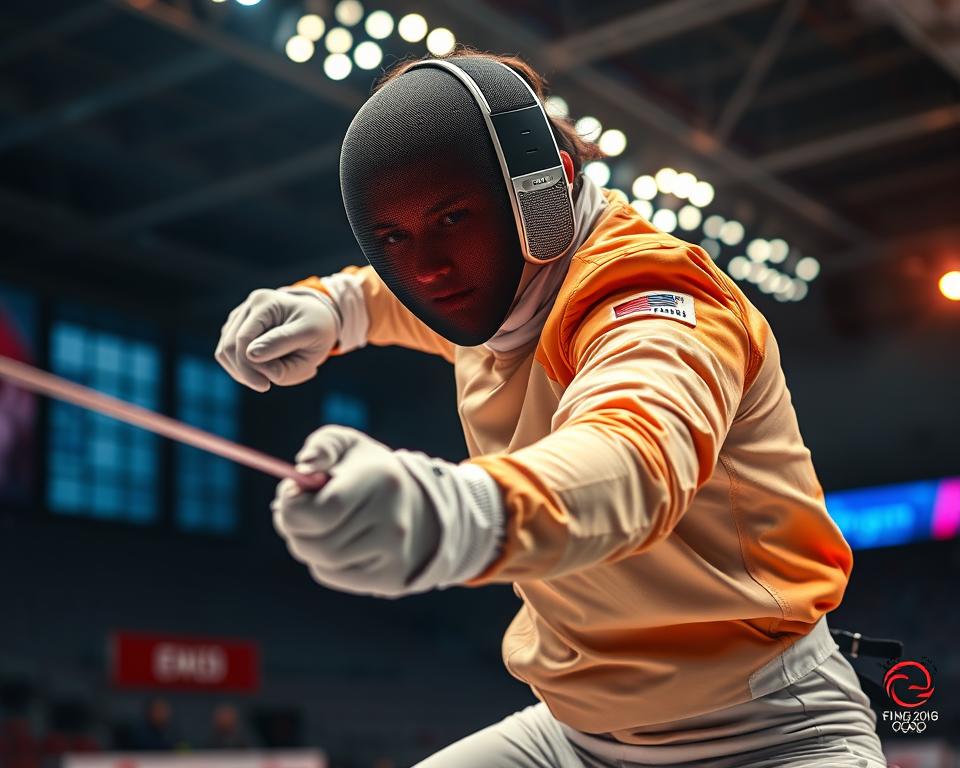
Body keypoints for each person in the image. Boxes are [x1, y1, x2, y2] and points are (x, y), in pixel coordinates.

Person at [215, 50, 888, 768]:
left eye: (452, 217)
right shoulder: (490, 295)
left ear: (547, 187)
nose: (428, 270)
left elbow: (633, 459)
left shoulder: (656, 305)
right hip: (573, 739)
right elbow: (397, 298)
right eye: (392, 238)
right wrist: (331, 304)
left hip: (768, 735)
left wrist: (457, 513)